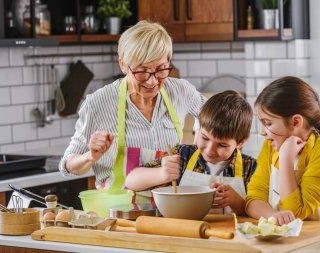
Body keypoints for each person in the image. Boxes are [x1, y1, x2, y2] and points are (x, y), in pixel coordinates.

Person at [59, 20, 207, 199]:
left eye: (160, 69)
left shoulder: (181, 92)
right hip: (120, 215)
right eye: (142, 71)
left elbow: (217, 120)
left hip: (171, 211)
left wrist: (203, 141)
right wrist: (90, 156)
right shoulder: (98, 103)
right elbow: (67, 165)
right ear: (123, 64)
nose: (152, 81)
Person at [125, 90, 257, 215]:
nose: (210, 150)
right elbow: (131, 181)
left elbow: (258, 211)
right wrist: (161, 174)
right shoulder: (183, 155)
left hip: (228, 237)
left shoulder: (251, 167)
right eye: (205, 138)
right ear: (199, 128)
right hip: (185, 233)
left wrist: (236, 201)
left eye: (222, 145)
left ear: (240, 143)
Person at [245, 76, 320, 225]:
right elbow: (252, 200)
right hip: (285, 238)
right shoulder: (270, 148)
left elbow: (296, 212)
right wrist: (274, 216)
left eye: (268, 123)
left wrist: (285, 159)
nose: (262, 132)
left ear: (296, 122)